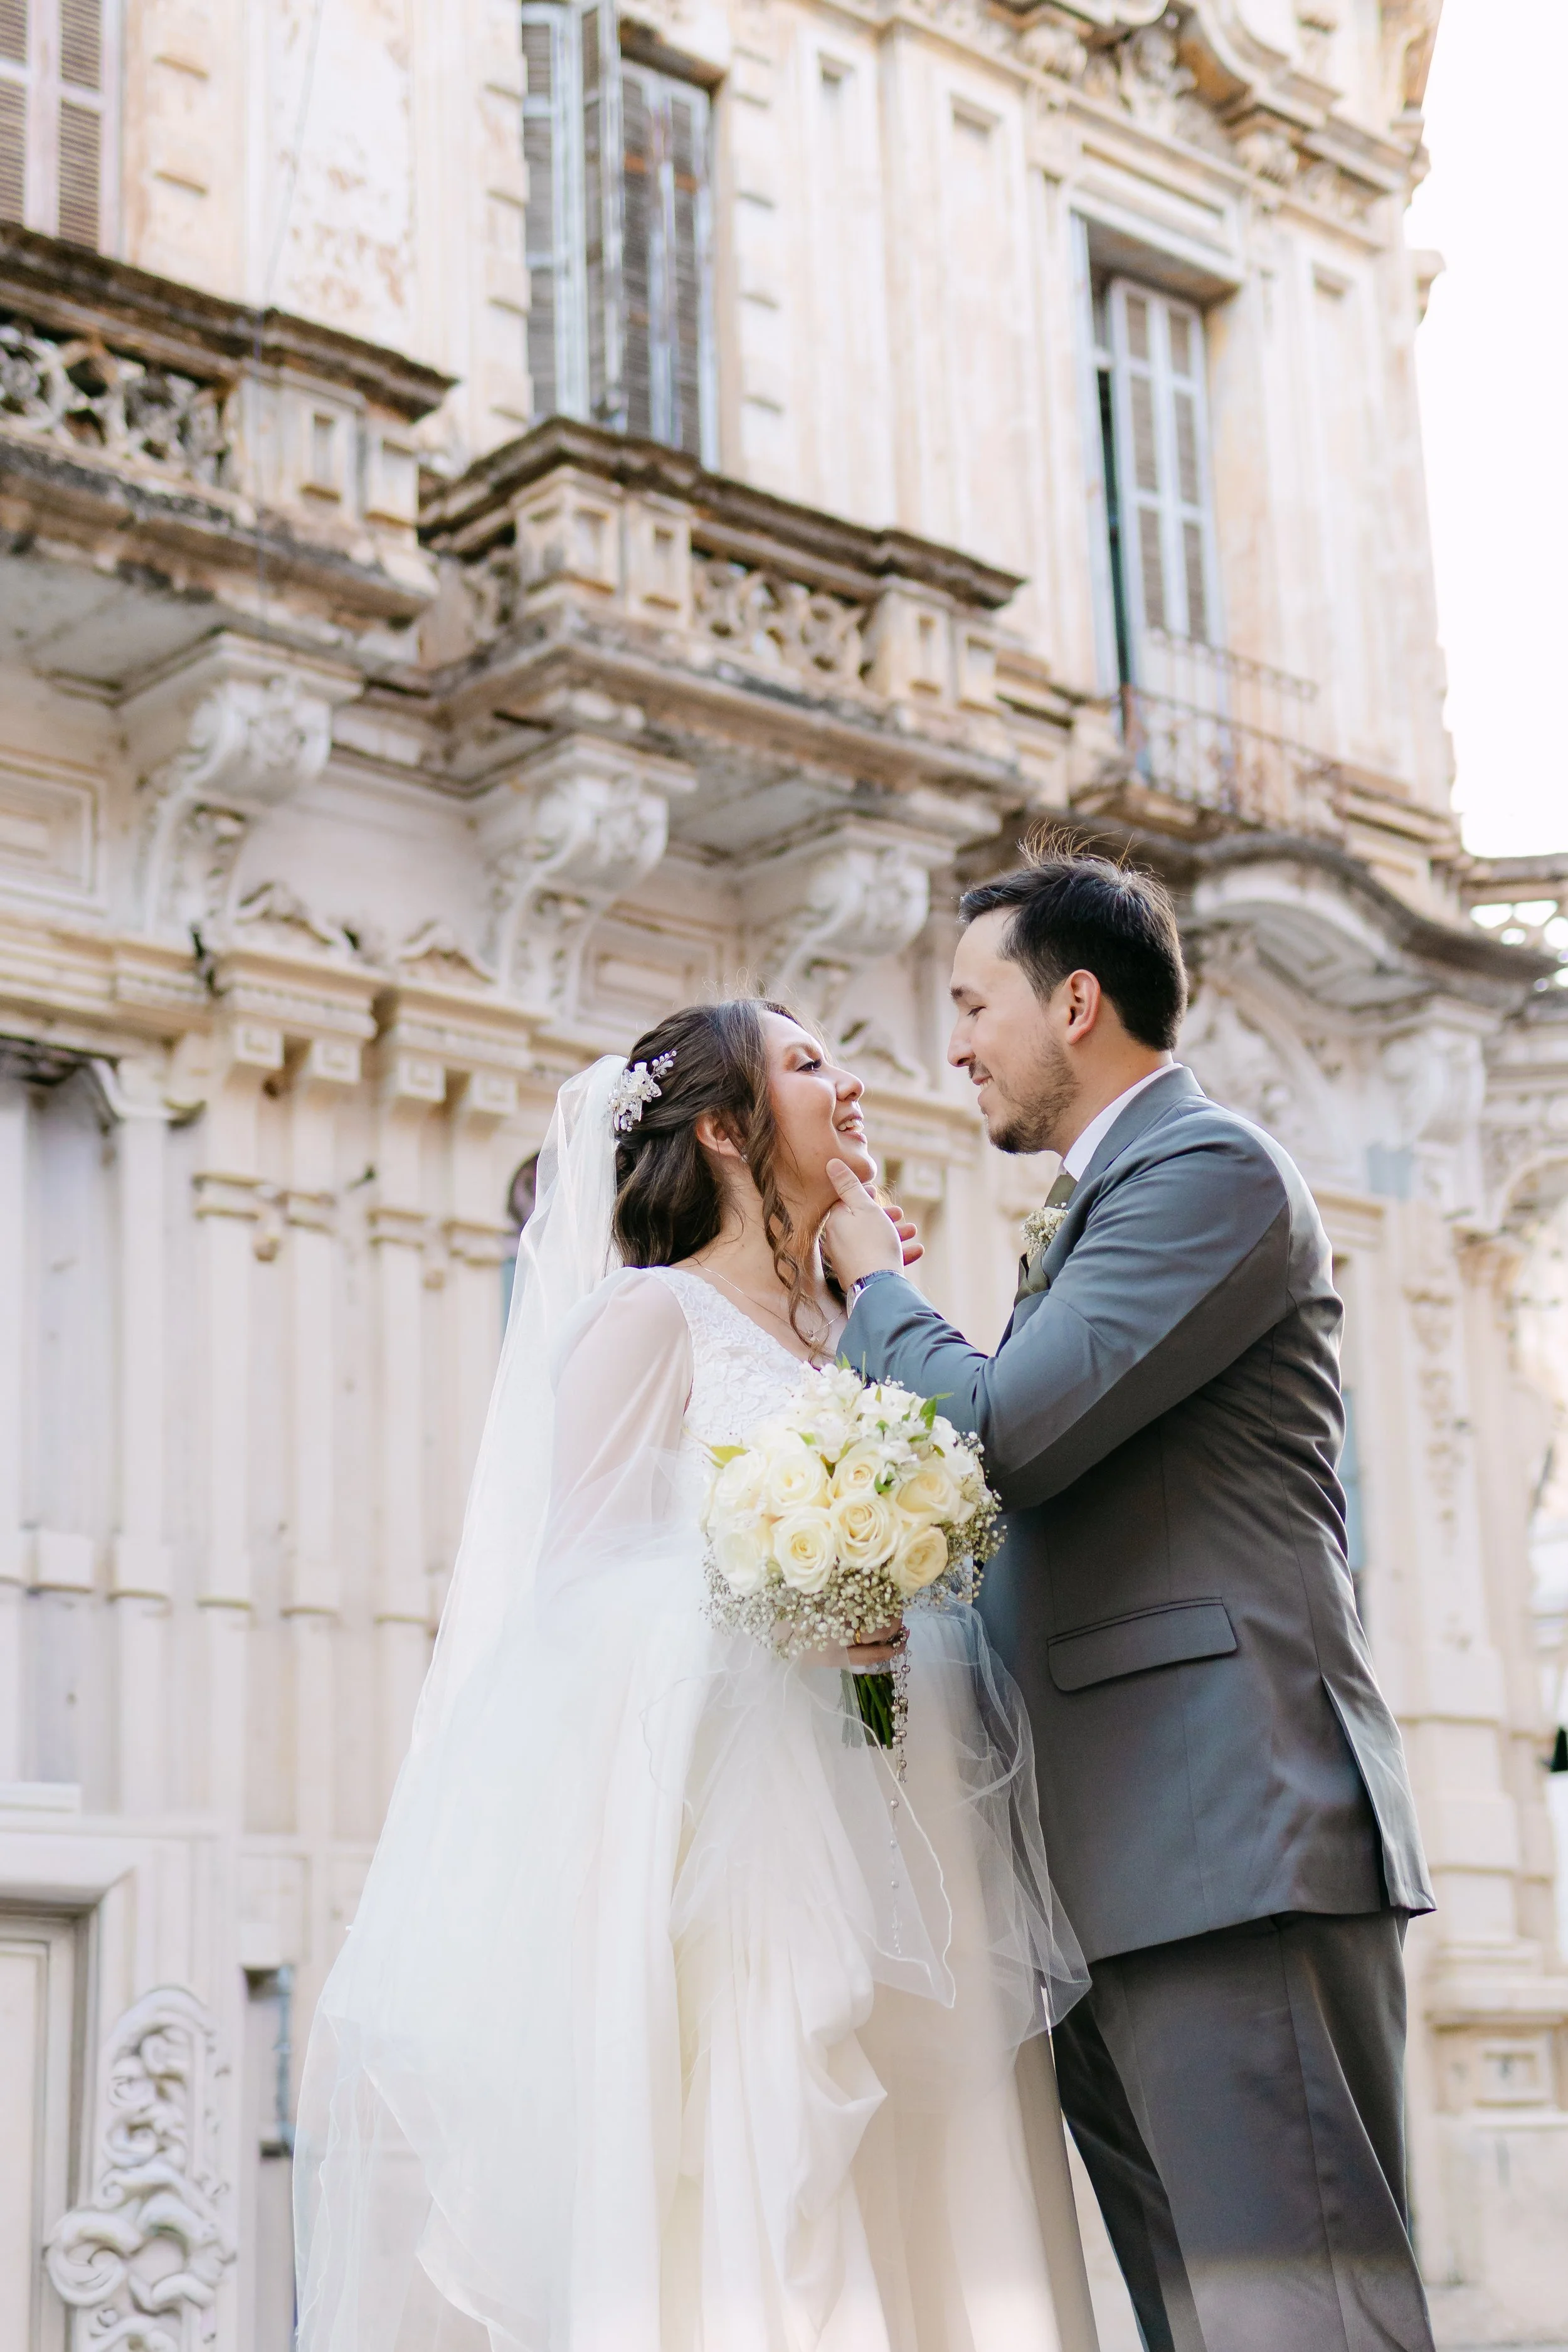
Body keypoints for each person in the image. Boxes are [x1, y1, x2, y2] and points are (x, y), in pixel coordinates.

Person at [294, 998, 1094, 2352]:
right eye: (804, 1064)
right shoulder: (644, 1322)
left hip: (927, 1831)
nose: (846, 1085)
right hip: (759, 1856)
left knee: (945, 2175)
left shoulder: (860, 1326)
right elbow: (574, 1607)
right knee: (780, 2165)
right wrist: (774, 1607)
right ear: (724, 1129)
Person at [823, 849, 1438, 2352]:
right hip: (1112, 1868)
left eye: (971, 1005)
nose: (953, 1044)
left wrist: (866, 1288)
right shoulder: (1114, 1200)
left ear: (1075, 1001)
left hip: (1229, 1844)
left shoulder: (1206, 1171)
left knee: (1302, 2315)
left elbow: (1006, 1433)